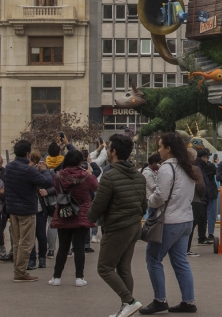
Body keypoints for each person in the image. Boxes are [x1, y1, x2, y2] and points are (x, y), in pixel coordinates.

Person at [86, 134, 146, 317]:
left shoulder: (109, 176)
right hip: (134, 225)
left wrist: (90, 217)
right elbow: (144, 205)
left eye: (109, 147)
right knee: (124, 268)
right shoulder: (139, 176)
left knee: (104, 267)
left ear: (113, 151)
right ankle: (126, 308)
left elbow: (98, 204)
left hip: (118, 227)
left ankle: (129, 301)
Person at [140, 132, 199, 314]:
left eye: (160, 146)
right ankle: (188, 301)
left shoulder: (167, 168)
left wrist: (149, 199)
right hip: (186, 218)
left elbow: (160, 196)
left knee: (153, 258)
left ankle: (160, 300)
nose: (159, 150)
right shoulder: (188, 167)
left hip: (169, 221)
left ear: (168, 148)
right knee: (180, 261)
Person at [2, 139, 53, 281]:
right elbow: (47, 182)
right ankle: (20, 272)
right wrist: (44, 170)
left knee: (17, 241)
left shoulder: (10, 167)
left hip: (13, 208)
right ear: (27, 154)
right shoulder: (28, 170)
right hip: (26, 210)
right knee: (27, 242)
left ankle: (18, 269)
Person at [49, 148, 97, 288]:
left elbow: (57, 190)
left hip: (64, 212)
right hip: (81, 214)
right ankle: (79, 278)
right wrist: (89, 172)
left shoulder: (58, 176)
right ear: (80, 161)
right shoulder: (86, 176)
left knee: (63, 247)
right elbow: (95, 187)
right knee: (80, 247)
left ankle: (56, 277)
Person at [196, 148, 217, 244]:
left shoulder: (202, 166)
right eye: (205, 157)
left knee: (204, 216)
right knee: (205, 216)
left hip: (207, 194)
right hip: (207, 194)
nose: (207, 159)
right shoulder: (203, 167)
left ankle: (203, 236)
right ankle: (205, 235)